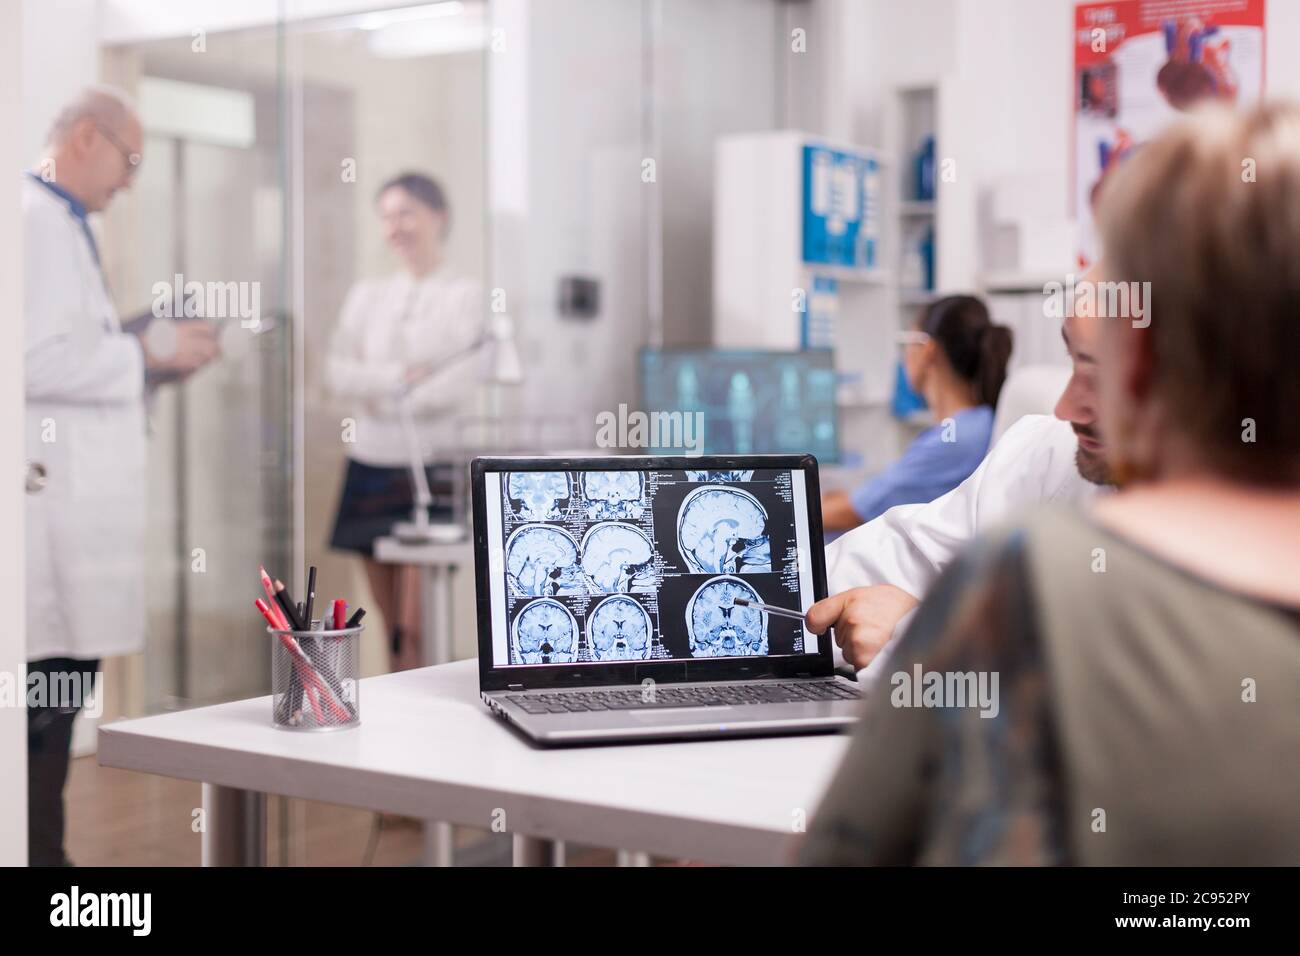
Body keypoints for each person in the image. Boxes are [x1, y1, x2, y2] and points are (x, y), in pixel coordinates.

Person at [799, 102, 1300, 865]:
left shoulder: (1033, 577)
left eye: (1102, 366)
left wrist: (921, 639)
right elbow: (866, 564)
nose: (1068, 405)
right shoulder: (1043, 458)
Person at [24, 86, 219, 866]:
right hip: (43, 509)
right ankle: (41, 863)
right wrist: (146, 352)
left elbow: (72, 353)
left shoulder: (63, 225)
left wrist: (146, 353)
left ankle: (46, 855)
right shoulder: (34, 221)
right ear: (82, 137)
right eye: (128, 159)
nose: (131, 179)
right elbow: (32, 360)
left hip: (69, 508)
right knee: (48, 703)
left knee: (62, 699)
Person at [814, 267, 1113, 670]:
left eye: (1104, 374)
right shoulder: (1045, 452)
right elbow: (894, 560)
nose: (1064, 408)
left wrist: (923, 629)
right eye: (1074, 361)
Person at [326, 172, 484, 671]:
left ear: (439, 216)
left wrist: (378, 389)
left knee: (417, 625)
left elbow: (456, 385)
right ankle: (394, 727)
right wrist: (398, 378)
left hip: (429, 469)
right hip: (369, 463)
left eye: (407, 213)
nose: (396, 226)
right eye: (387, 216)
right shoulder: (368, 295)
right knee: (389, 624)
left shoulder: (465, 293)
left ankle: (423, 735)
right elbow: (335, 371)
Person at [823, 295, 1012, 532]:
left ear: (928, 350)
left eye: (908, 343)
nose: (903, 356)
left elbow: (854, 512)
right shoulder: (977, 422)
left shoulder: (957, 439)